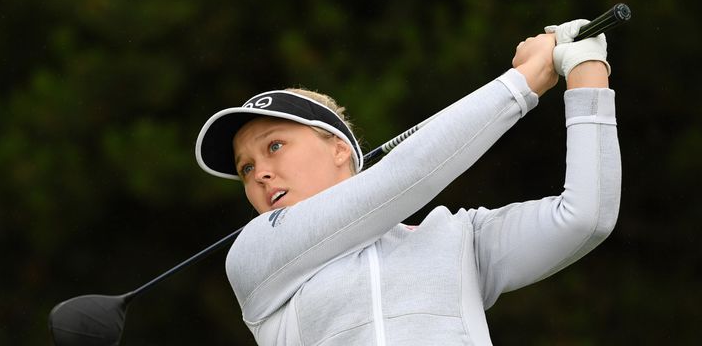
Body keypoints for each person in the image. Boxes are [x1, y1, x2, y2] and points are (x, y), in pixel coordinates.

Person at [195, 19, 621, 345]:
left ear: (340, 149)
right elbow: (400, 180)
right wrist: (523, 82)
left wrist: (585, 69)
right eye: (246, 168)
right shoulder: (253, 254)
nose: (259, 173)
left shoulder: (457, 238)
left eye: (273, 147)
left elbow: (585, 217)